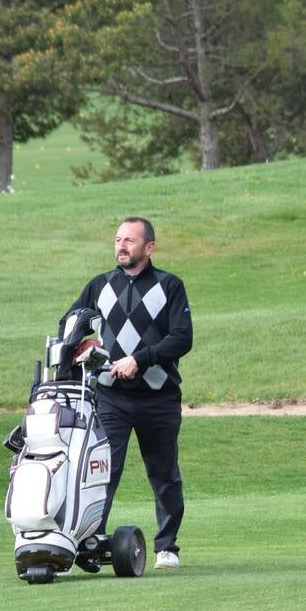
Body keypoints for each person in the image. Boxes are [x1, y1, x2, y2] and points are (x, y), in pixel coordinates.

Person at [69, 217, 193, 570]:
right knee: (103, 470)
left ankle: (166, 547)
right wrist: (80, 346)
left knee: (164, 472)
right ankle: (91, 543)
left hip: (159, 396)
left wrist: (139, 359)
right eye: (118, 239)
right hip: (111, 397)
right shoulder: (100, 285)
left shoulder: (170, 286)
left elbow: (182, 338)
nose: (121, 246)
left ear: (149, 247)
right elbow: (71, 325)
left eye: (130, 241)